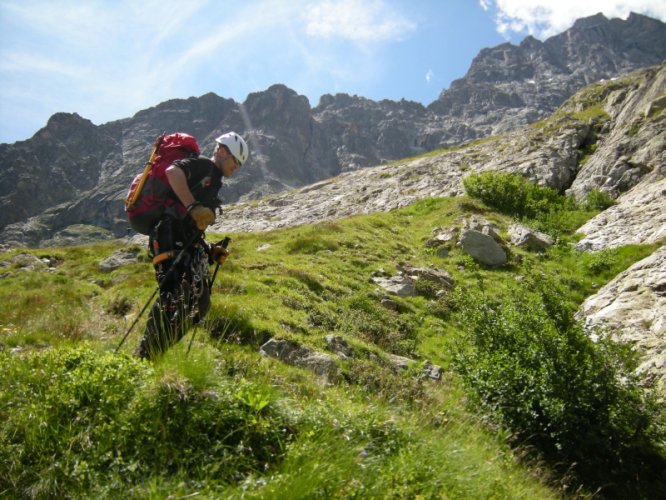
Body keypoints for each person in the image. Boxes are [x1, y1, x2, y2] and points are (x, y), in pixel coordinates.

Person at [136, 132, 249, 360]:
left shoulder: (213, 181)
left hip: (186, 242)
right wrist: (192, 207)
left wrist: (210, 250)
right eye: (236, 161)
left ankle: (156, 353)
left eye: (240, 164)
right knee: (174, 296)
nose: (237, 167)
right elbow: (172, 172)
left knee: (201, 303)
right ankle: (145, 358)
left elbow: (193, 226)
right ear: (222, 152)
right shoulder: (204, 165)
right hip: (168, 234)